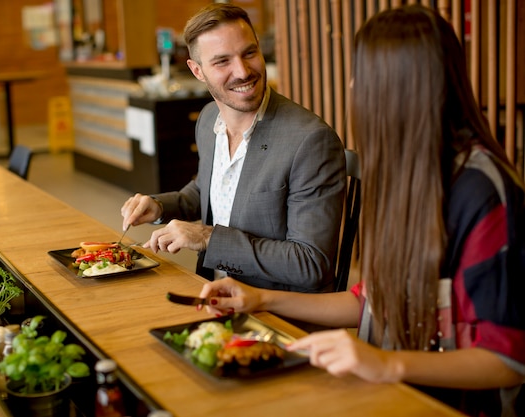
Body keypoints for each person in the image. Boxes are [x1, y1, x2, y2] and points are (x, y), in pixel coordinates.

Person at [195, 5, 525, 416]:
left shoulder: (480, 191)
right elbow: (371, 302)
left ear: (401, 87)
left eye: (361, 74)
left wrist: (383, 362)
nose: (352, 84)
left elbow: (507, 360)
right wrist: (260, 299)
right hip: (389, 393)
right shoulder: (406, 171)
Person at [120, 4, 346, 293]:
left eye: (249, 53)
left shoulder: (310, 141)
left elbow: (311, 264)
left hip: (273, 311)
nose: (242, 71)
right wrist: (160, 207)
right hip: (209, 290)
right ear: (197, 71)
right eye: (222, 61)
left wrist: (206, 237)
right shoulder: (208, 119)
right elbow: (208, 191)